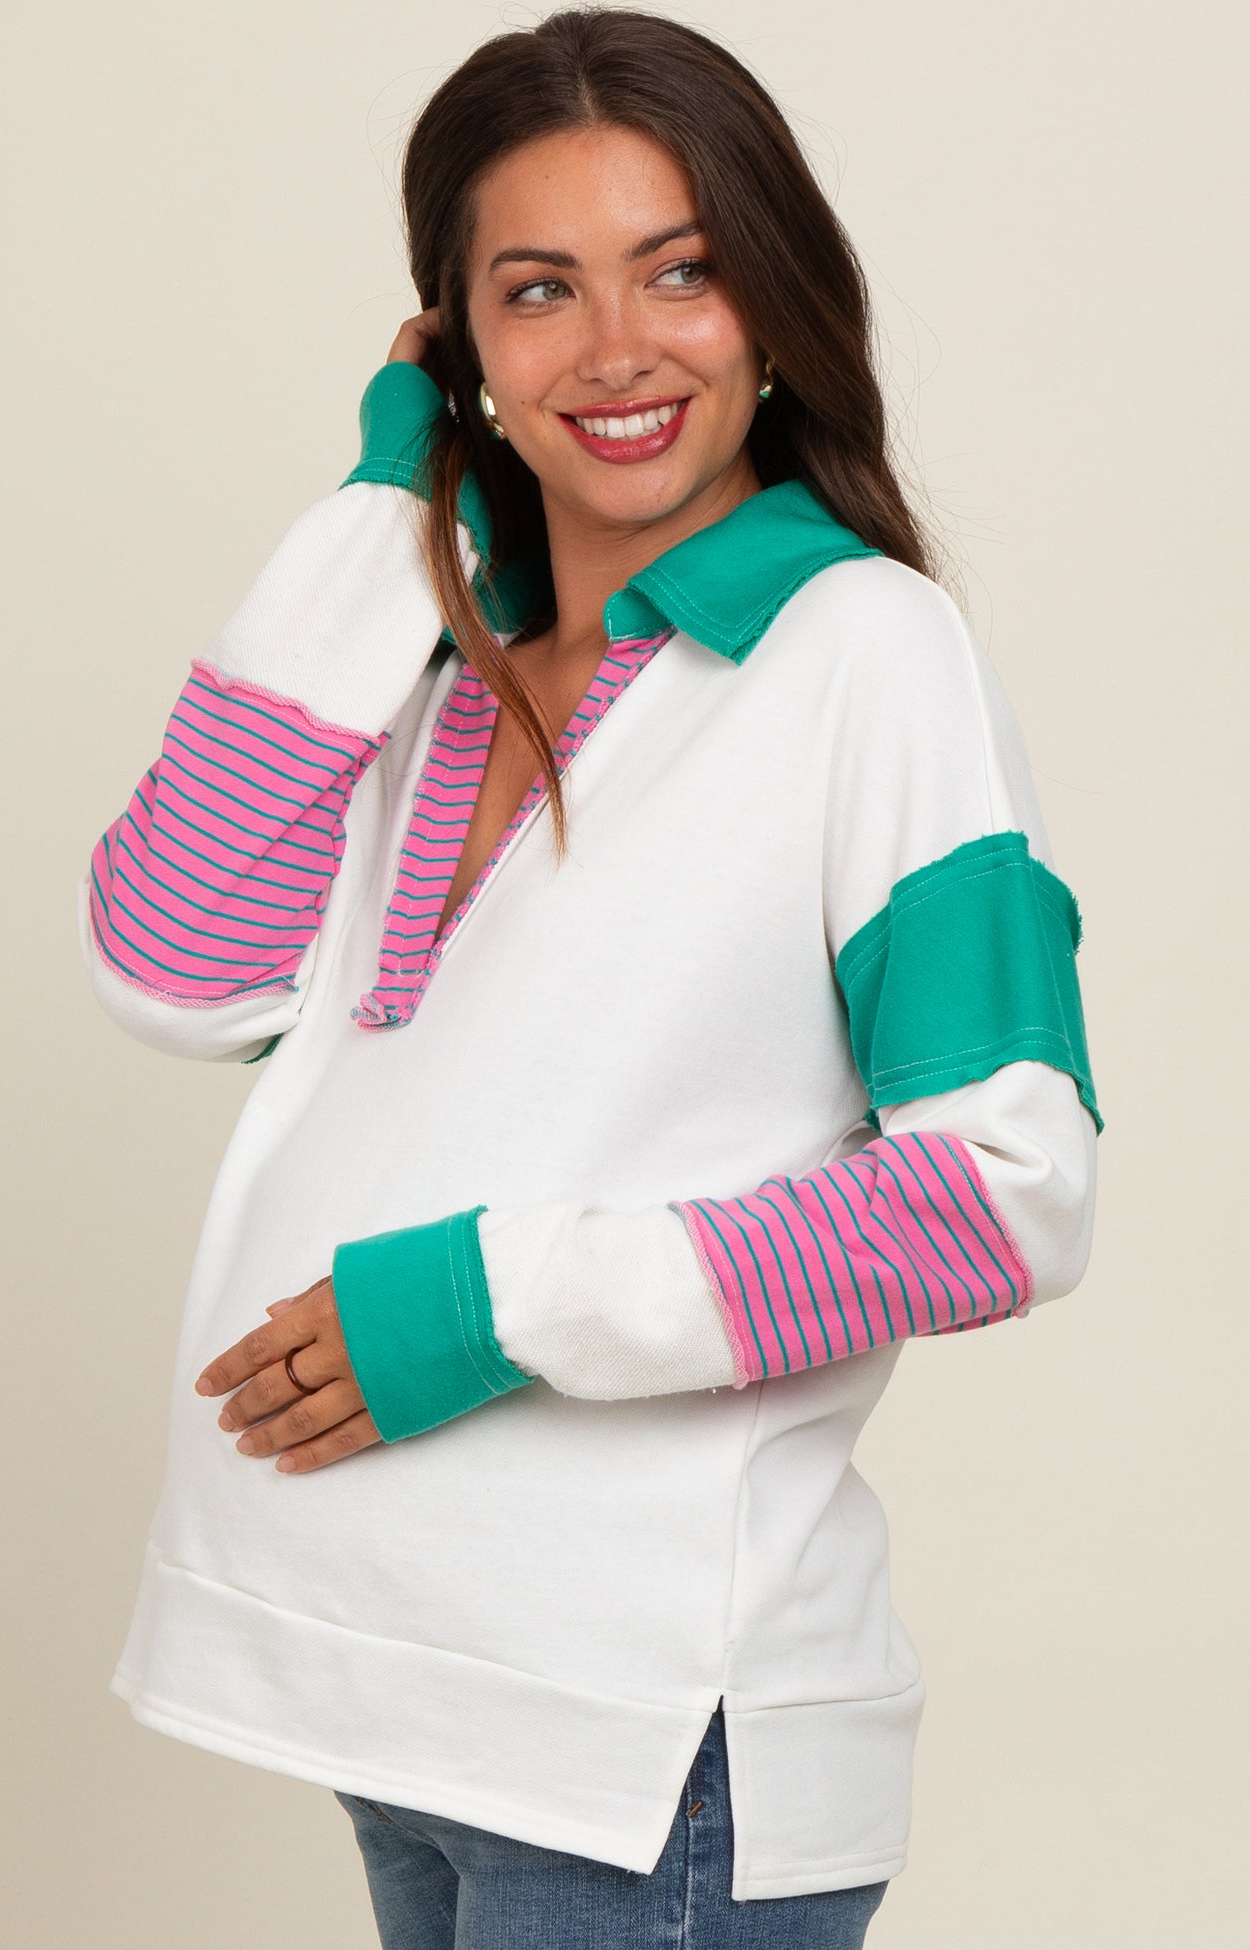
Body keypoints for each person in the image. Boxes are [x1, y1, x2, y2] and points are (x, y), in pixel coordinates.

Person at [76, 10, 1102, 1946]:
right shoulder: (421, 667)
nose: (617, 348)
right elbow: (174, 968)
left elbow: (1002, 1193)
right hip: (401, 1695)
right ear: (455, 344)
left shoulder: (861, 654)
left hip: (647, 1741)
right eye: (538, 290)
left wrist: (493, 1305)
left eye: (680, 271)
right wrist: (383, 509)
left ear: (774, 304)